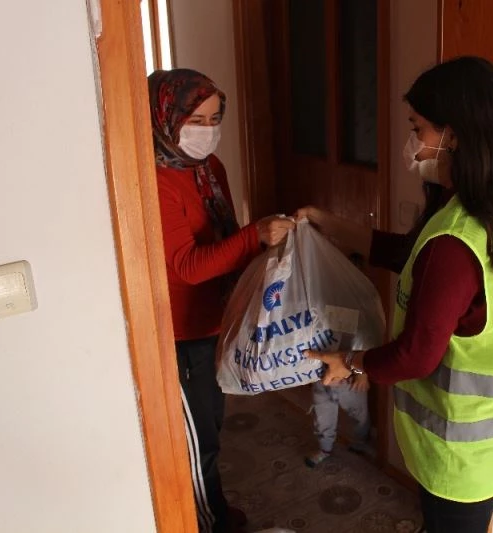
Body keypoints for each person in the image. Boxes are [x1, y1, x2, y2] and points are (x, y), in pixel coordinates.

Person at [298, 57, 493, 533]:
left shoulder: (455, 242)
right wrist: (327, 223)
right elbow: (410, 256)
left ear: (451, 136)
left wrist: (351, 363)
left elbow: (415, 356)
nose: (413, 143)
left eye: (418, 128)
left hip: (460, 456)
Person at [148, 69, 294, 533]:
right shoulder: (154, 180)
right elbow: (186, 266)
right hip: (179, 330)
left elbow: (226, 238)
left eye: (215, 119)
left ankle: (212, 508)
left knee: (213, 419)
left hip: (217, 320)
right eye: (197, 119)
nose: (207, 131)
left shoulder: (212, 170)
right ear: (167, 118)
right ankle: (211, 522)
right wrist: (257, 235)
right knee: (197, 438)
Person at [304, 373, 371, 468]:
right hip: (320, 378)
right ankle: (325, 448)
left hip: (350, 378)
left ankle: (359, 442)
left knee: (360, 415)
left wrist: (363, 374)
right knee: (322, 417)